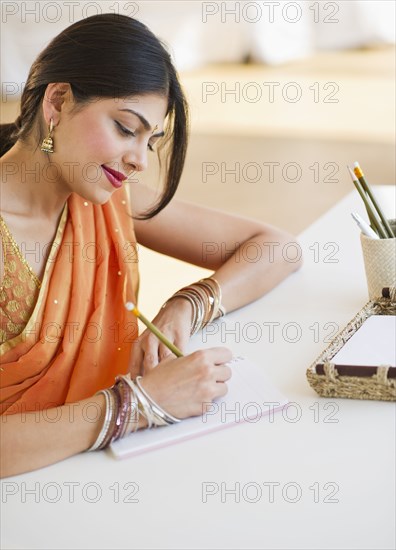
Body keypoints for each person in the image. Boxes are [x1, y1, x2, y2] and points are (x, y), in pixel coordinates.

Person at [0, 13, 302, 477]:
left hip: (109, 466)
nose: (139, 160)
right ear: (57, 101)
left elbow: (277, 248)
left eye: (151, 140)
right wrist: (137, 405)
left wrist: (186, 306)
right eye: (125, 128)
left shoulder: (106, 198)